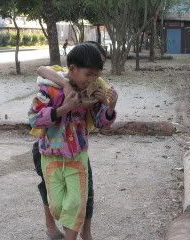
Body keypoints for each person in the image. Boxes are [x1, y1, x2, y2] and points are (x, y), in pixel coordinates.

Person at [29, 43, 117, 240]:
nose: (95, 79)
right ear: (72, 69)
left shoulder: (94, 90)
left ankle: (78, 234)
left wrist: (110, 108)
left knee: (77, 202)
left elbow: (101, 122)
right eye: (90, 74)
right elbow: (33, 119)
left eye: (97, 74)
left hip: (77, 155)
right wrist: (64, 107)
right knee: (58, 205)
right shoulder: (50, 88)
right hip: (49, 154)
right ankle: (54, 226)